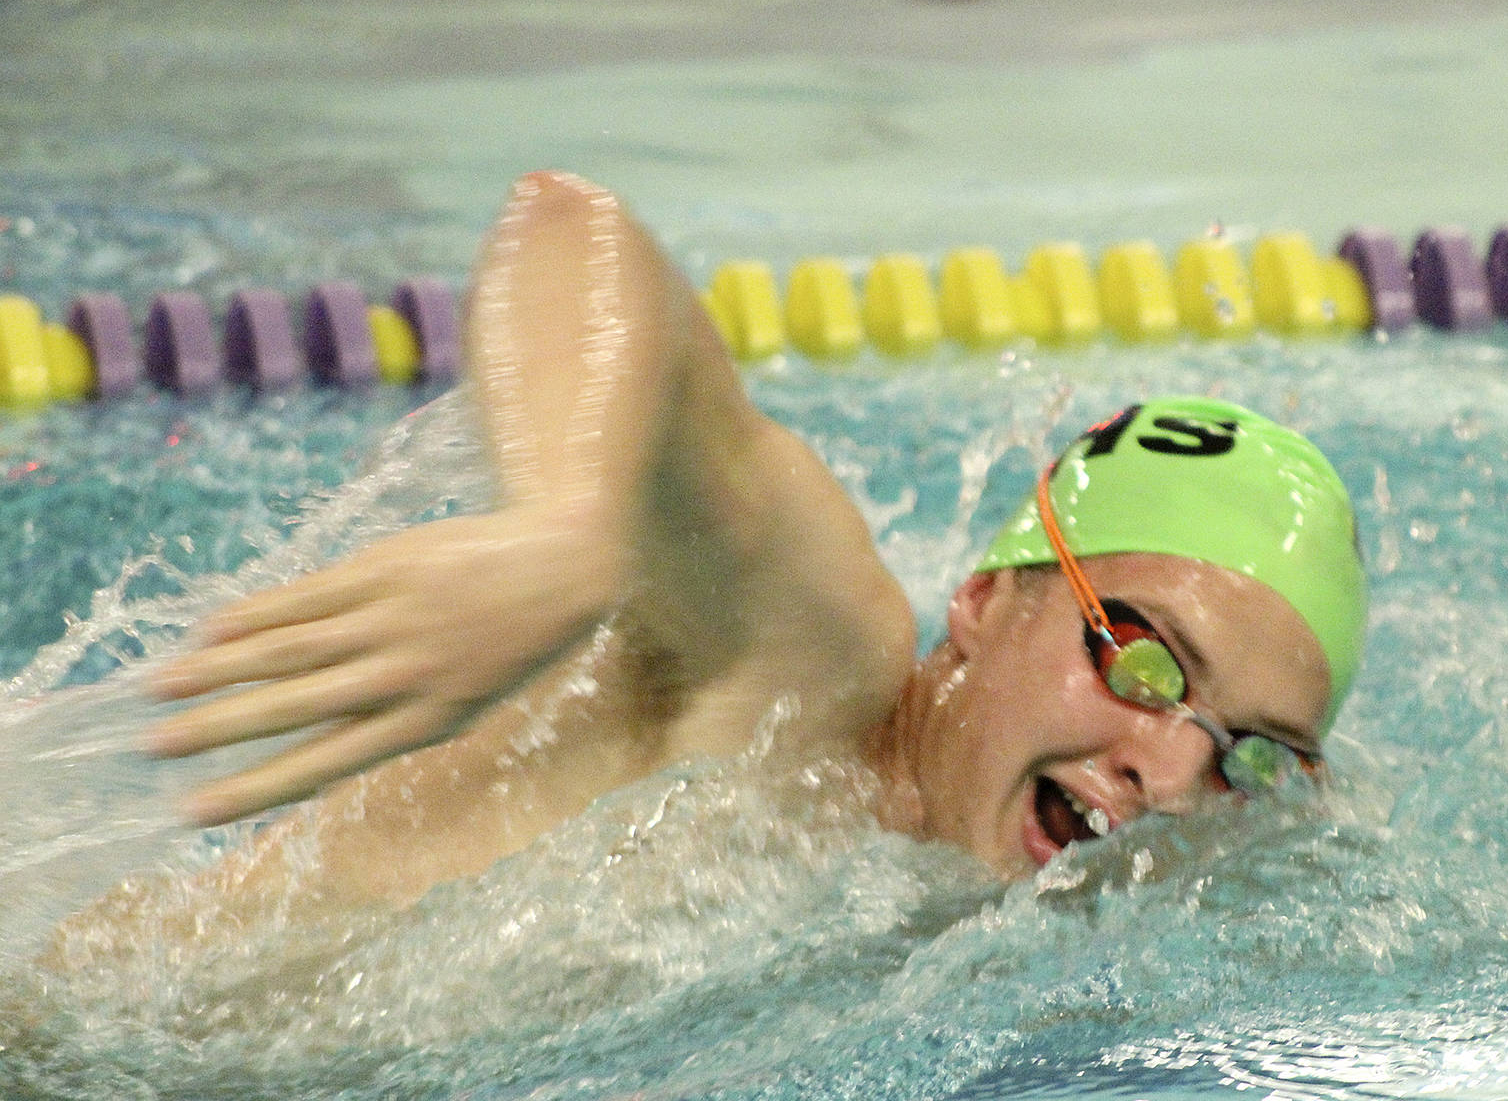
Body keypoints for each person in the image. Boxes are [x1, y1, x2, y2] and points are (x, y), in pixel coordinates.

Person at [139, 171, 1365, 910]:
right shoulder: (812, 668)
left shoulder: (975, 894)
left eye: (1246, 754)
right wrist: (567, 531)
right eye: (1144, 660)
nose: (1166, 770)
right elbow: (575, 229)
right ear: (990, 597)